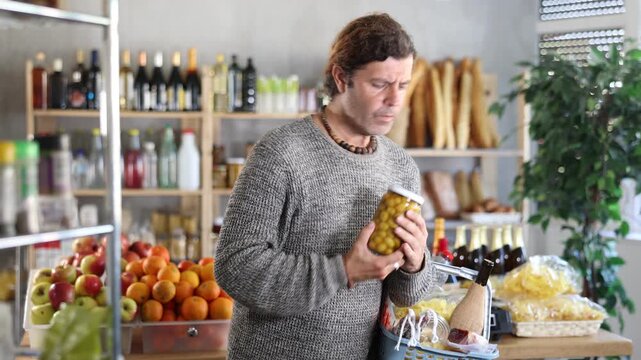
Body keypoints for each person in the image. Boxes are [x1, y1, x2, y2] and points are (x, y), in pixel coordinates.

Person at [215, 13, 436, 360]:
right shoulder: (281, 153)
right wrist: (343, 270)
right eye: (380, 84)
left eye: (403, 85)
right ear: (340, 78)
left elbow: (406, 296)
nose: (395, 100)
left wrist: (416, 263)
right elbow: (235, 265)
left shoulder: (402, 166)